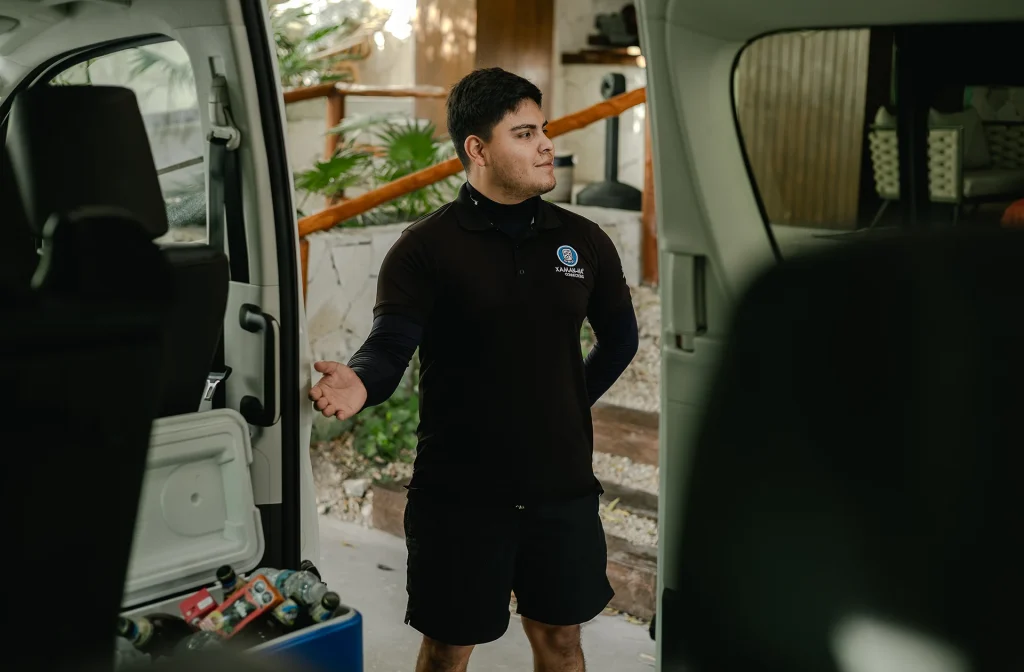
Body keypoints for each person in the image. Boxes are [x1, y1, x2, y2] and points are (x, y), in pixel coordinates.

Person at [309, 67, 640, 672]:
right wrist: (361, 380)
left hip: (559, 488)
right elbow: (390, 344)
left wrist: (566, 404)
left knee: (562, 644)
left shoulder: (584, 240)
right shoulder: (425, 248)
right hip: (459, 494)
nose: (546, 145)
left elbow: (621, 339)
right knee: (446, 651)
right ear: (478, 150)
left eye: (544, 130)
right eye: (525, 134)